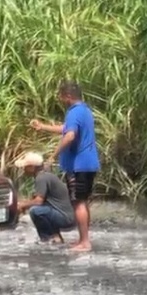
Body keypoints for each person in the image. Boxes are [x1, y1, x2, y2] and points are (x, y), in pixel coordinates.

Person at [29, 80, 100, 252]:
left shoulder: (74, 112)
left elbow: (69, 135)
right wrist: (43, 127)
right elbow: (66, 128)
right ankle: (83, 239)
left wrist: (54, 155)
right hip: (88, 163)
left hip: (79, 165)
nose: (61, 100)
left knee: (78, 203)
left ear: (68, 96)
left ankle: (85, 242)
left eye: (61, 96)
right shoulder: (85, 110)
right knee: (82, 201)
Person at [14, 152, 75, 243]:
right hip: (66, 215)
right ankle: (56, 237)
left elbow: (38, 201)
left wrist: (22, 205)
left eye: (25, 167)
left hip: (65, 217)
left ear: (32, 167)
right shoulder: (46, 175)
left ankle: (48, 239)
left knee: (35, 211)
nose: (23, 169)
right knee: (42, 210)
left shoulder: (41, 178)